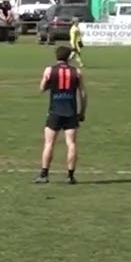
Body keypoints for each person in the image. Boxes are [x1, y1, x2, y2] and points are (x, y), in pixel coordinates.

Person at [36, 46, 87, 184]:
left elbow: (42, 88)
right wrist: (81, 112)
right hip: (70, 111)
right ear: (69, 57)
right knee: (71, 143)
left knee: (49, 143)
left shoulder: (49, 70)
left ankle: (44, 174)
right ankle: (70, 176)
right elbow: (83, 94)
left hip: (54, 111)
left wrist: (48, 85)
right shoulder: (76, 72)